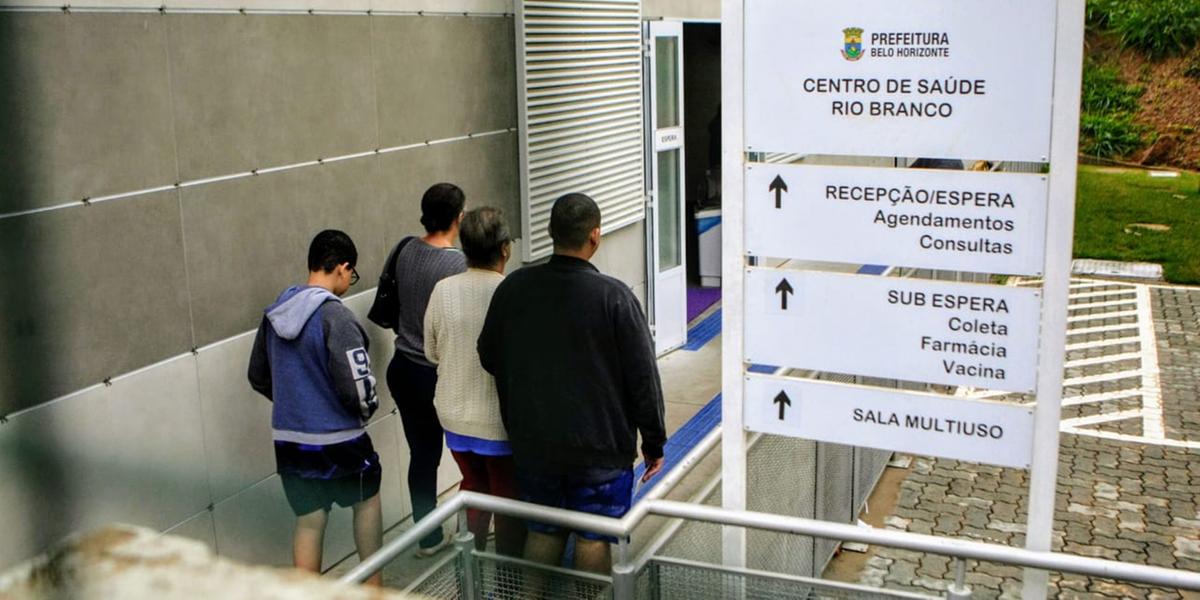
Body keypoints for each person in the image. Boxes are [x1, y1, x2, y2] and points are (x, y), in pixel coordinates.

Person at [477, 193, 667, 573]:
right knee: (593, 535)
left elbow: (488, 356)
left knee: (544, 531)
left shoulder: (514, 288)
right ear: (595, 236)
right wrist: (653, 441)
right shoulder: (614, 298)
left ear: (550, 232)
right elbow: (642, 378)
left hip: (534, 446)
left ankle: (529, 596)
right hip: (601, 449)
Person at [247, 229, 383, 585]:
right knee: (366, 500)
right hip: (341, 440)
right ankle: (374, 588)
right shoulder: (336, 317)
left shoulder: (276, 313)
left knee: (309, 520)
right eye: (350, 275)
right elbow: (358, 387)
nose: (349, 283)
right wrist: (366, 410)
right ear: (342, 267)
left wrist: (294, 402)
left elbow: (257, 375)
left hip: (289, 440)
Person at [424, 207, 524, 556]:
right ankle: (509, 581)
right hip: (497, 422)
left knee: (473, 489)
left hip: (453, 415)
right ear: (505, 249)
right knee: (508, 499)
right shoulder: (511, 291)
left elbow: (431, 351)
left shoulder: (442, 289)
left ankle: (470, 570)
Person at [386, 182, 467, 557]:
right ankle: (483, 524)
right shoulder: (456, 264)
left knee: (423, 456)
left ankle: (427, 536)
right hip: (435, 372)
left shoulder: (405, 249)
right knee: (474, 449)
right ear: (458, 217)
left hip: (402, 366)